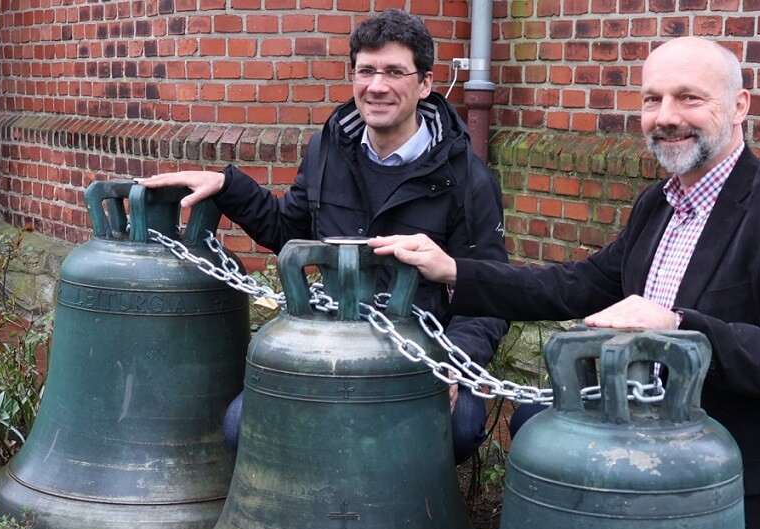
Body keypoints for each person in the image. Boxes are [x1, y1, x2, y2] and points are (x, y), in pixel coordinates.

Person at [370, 36, 760, 529]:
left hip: (733, 508)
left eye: (689, 98)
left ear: (739, 106)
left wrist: (679, 326)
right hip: (640, 485)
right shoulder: (659, 205)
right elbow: (576, 285)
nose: (666, 117)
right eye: (652, 99)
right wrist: (453, 270)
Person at [136, 9, 509, 466]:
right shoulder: (328, 151)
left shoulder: (467, 178)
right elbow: (289, 229)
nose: (377, 86)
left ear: (425, 83)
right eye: (366, 71)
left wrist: (451, 365)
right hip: (332, 343)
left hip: (421, 352)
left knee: (459, 428)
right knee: (241, 427)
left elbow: (488, 292)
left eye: (394, 72)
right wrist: (228, 186)